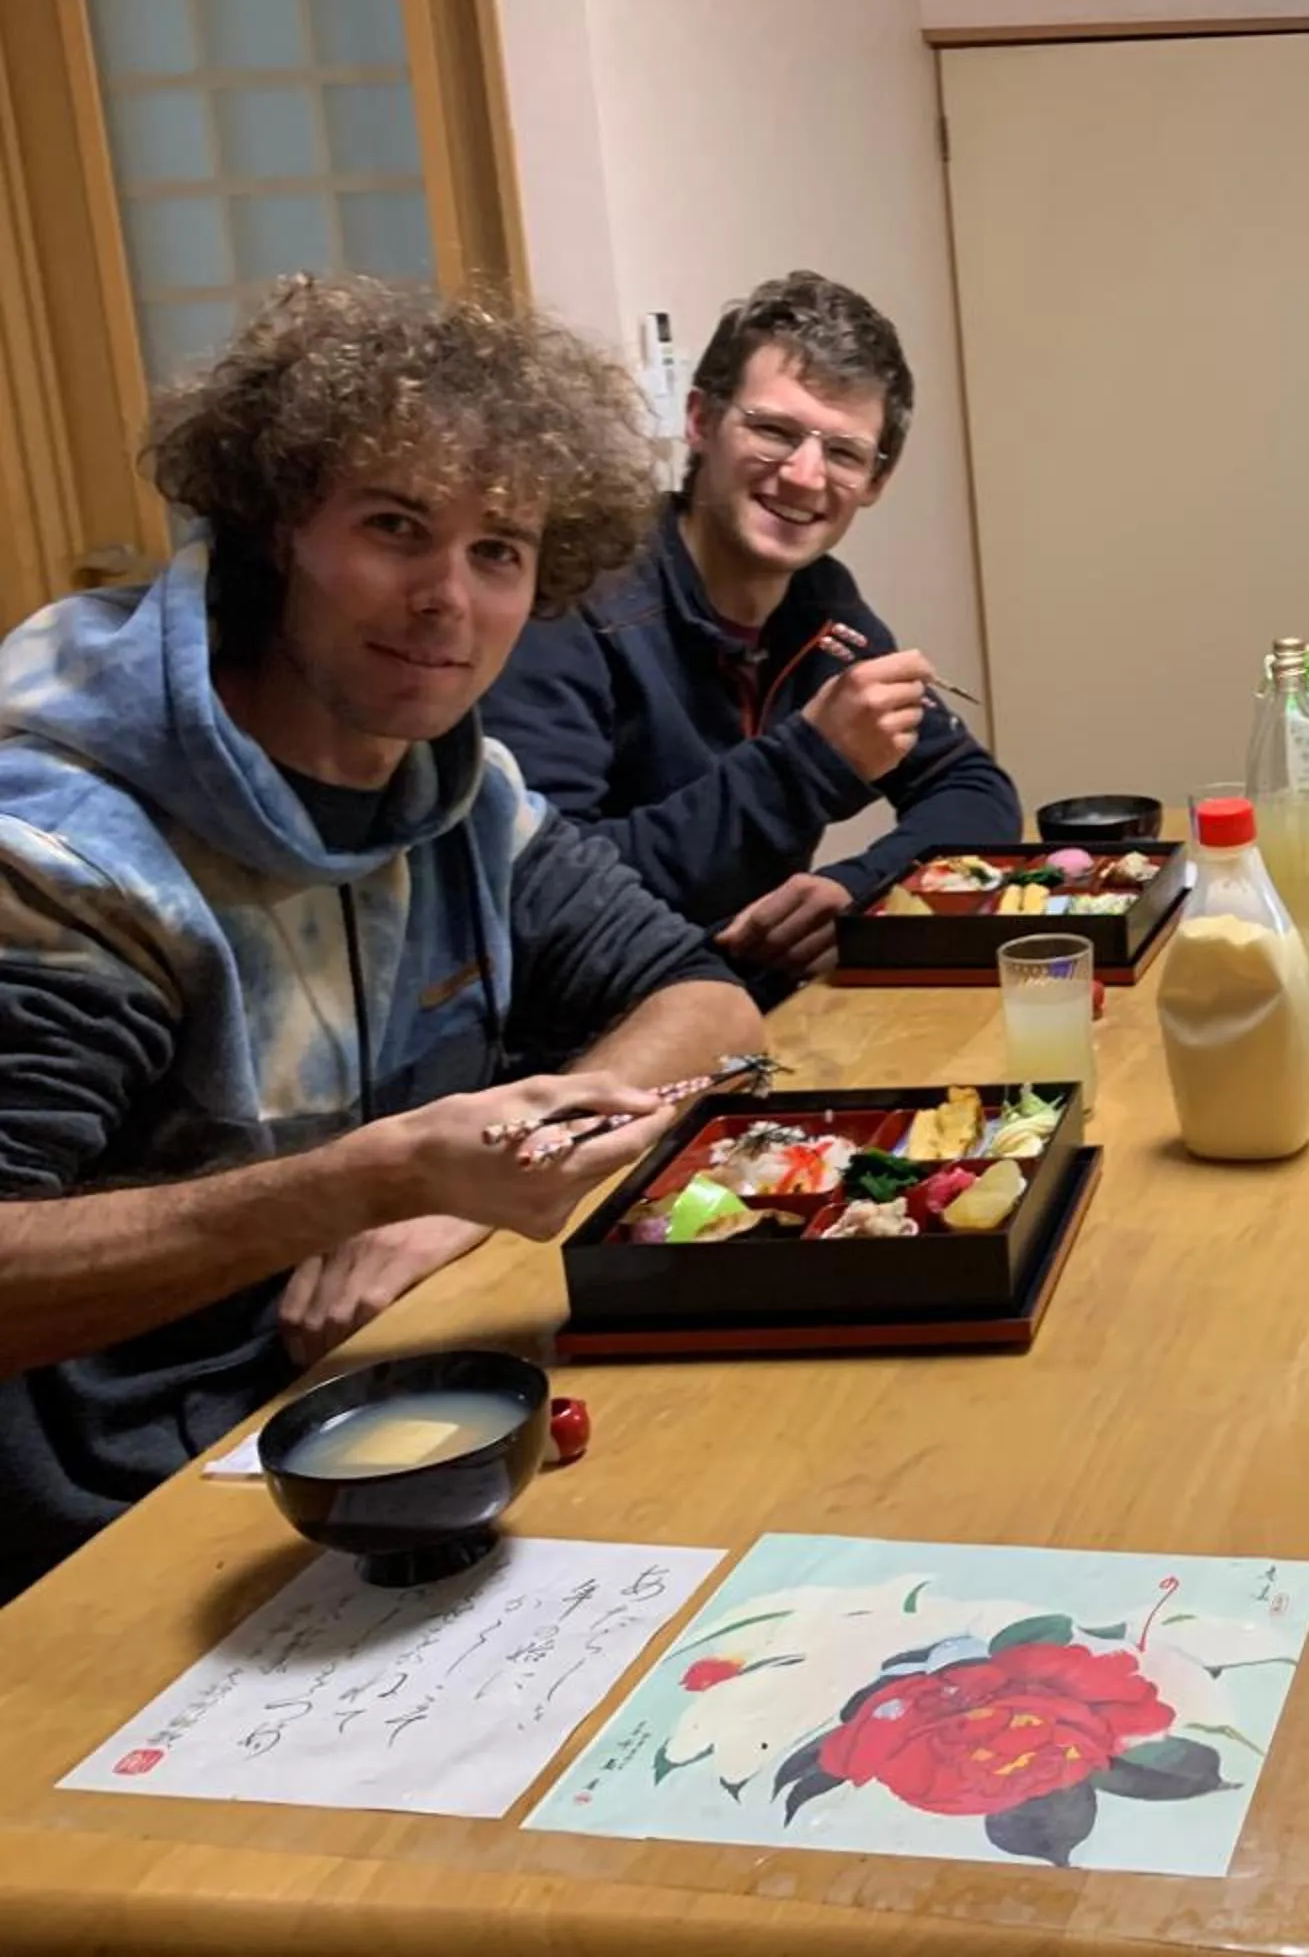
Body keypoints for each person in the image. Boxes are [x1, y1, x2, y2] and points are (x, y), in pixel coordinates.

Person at [0, 279, 765, 1603]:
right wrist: (378, 1180)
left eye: (498, 551)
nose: (445, 601)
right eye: (397, 527)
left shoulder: (456, 789)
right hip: (113, 1525)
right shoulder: (67, 852)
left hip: (390, 1414)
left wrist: (452, 1210)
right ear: (276, 526)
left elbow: (705, 998)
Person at [482, 271, 1021, 998]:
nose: (803, 476)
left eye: (844, 453)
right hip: (597, 1046)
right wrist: (813, 762)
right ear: (700, 421)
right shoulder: (575, 601)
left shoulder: (824, 608)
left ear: (875, 481)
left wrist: (861, 888)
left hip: (757, 1015)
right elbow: (546, 903)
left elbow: (973, 788)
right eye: (773, 431)